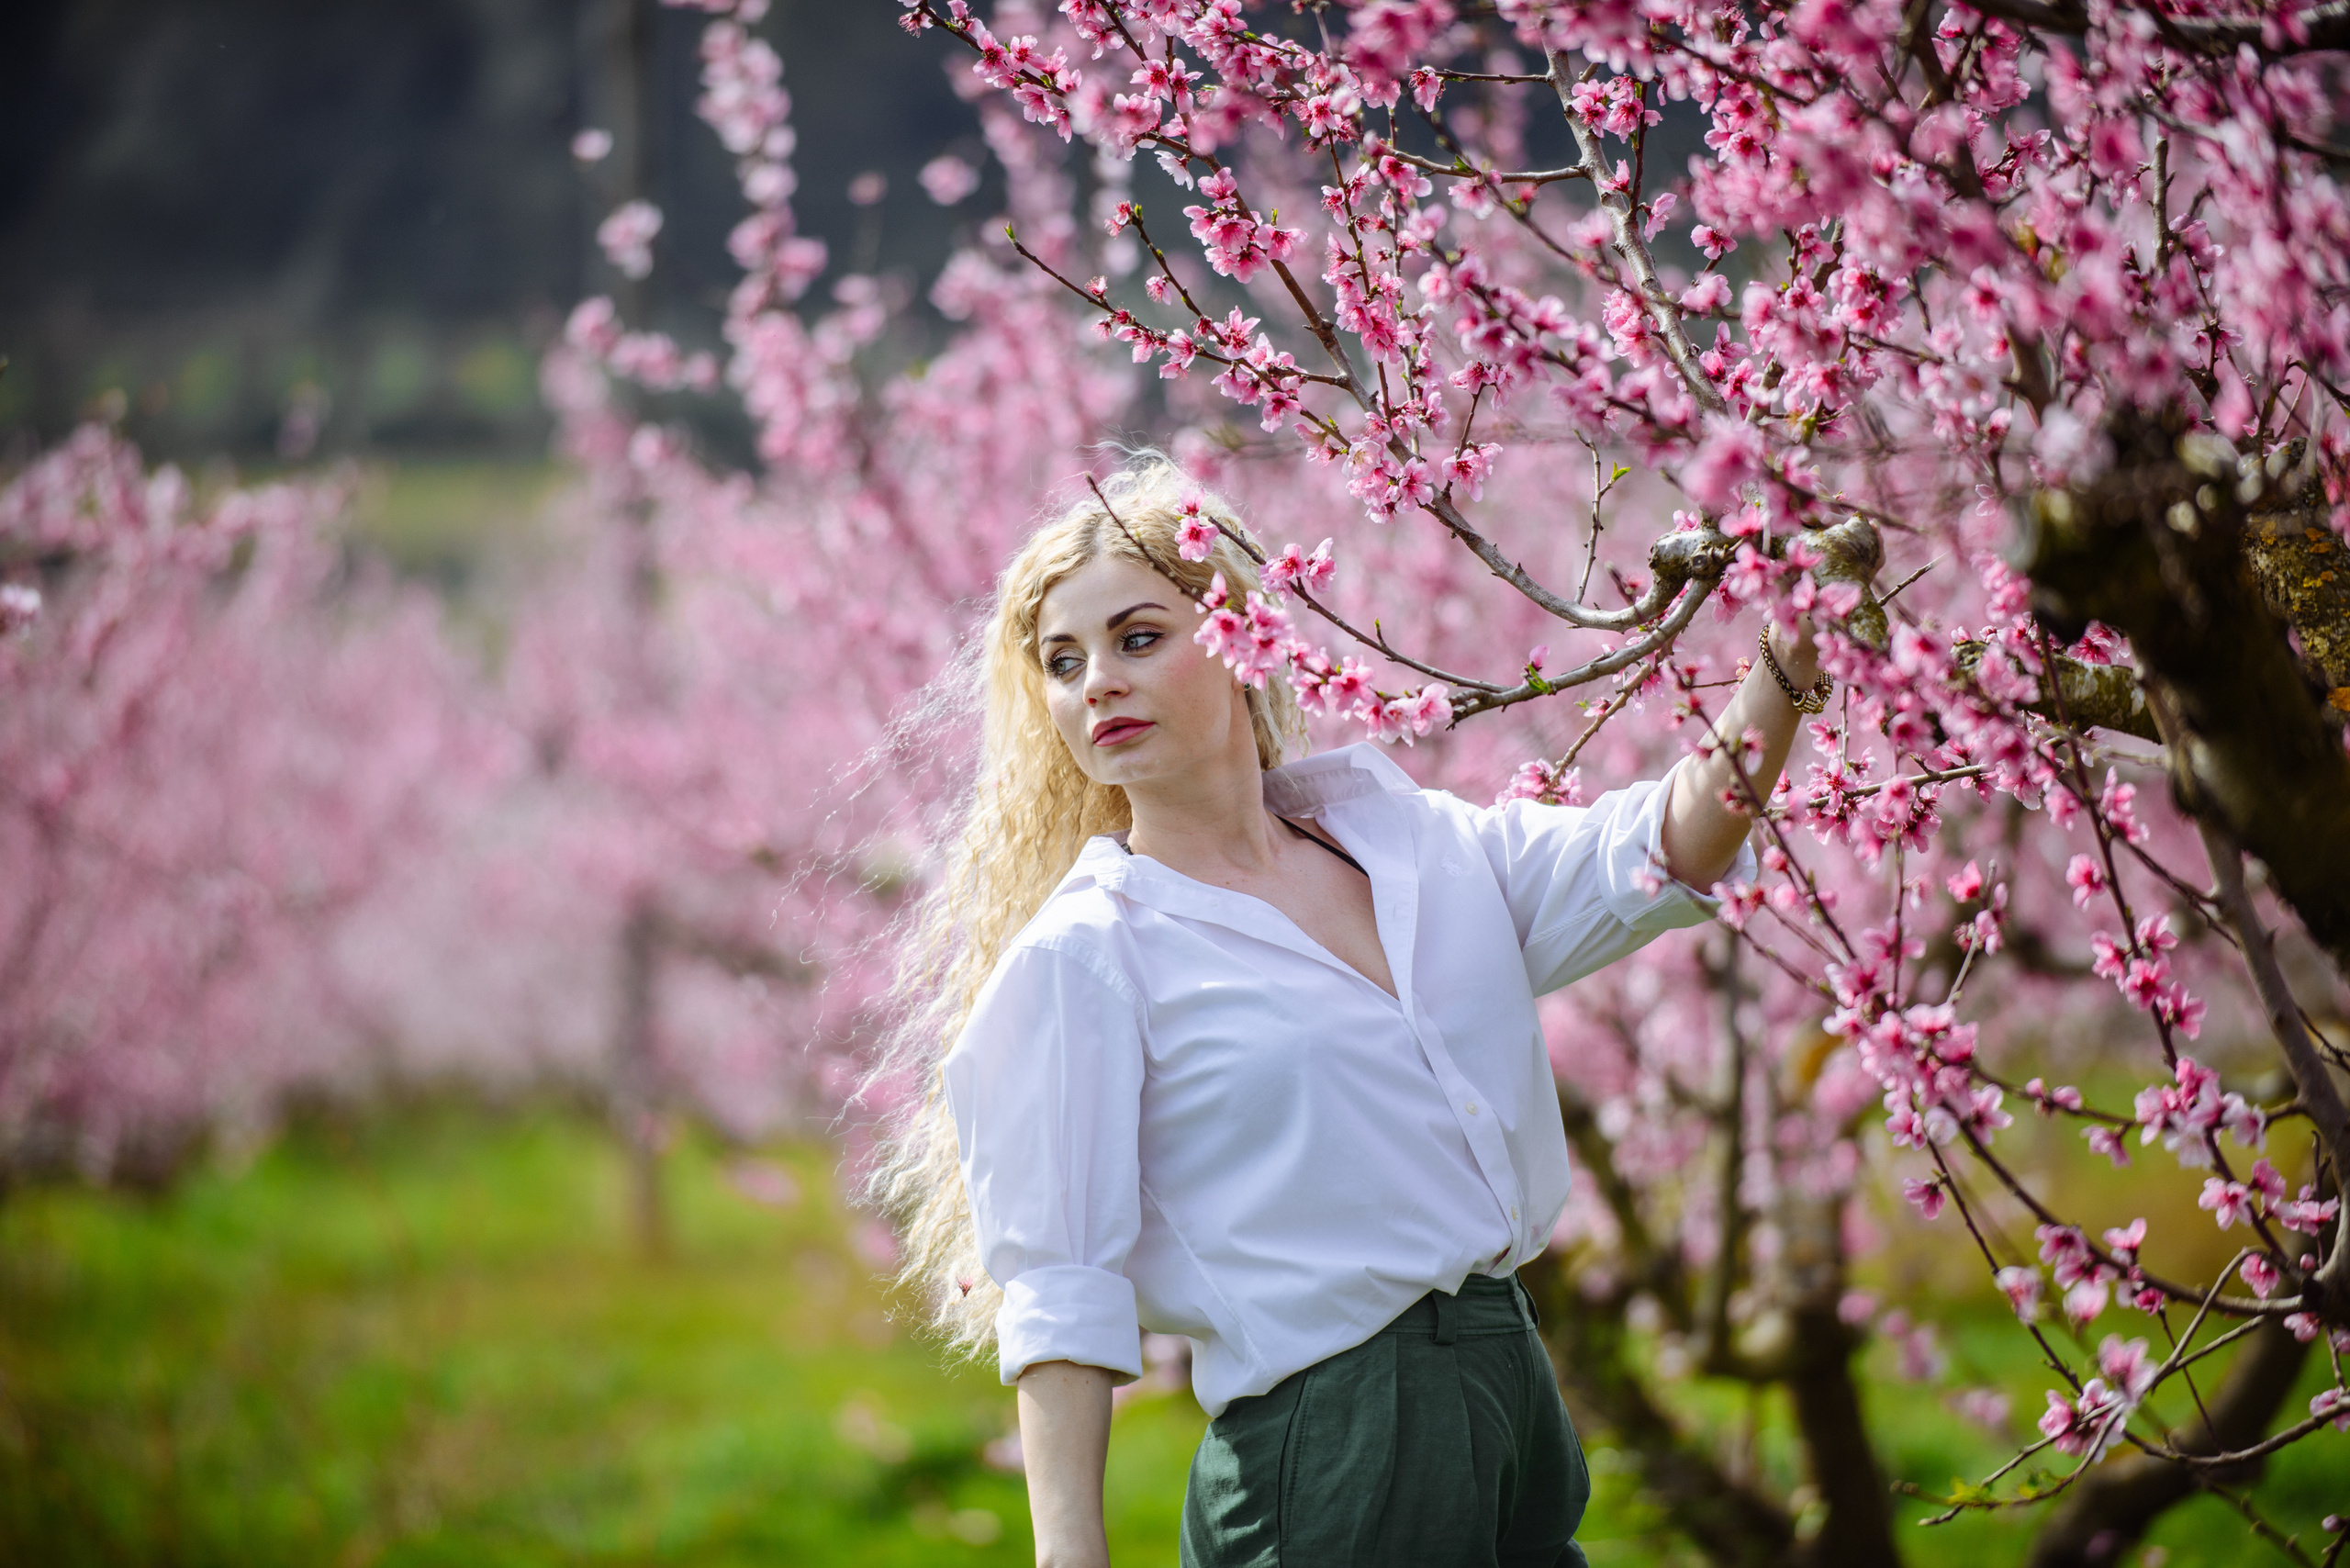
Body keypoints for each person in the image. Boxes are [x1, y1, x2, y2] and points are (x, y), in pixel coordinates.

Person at [869, 455, 1830, 1567]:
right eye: (1062, 662)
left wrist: (1787, 653)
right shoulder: (1087, 956)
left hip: (1507, 1386)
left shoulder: (1414, 847)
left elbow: (1667, 845)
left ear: (1237, 636)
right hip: (1332, 1444)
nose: (1098, 684)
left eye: (1138, 638)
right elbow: (1059, 1297)